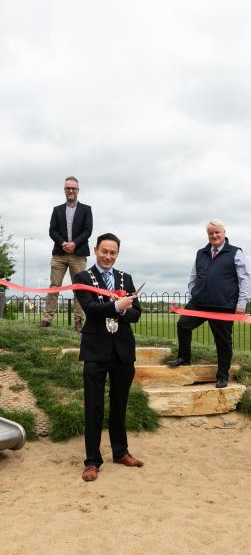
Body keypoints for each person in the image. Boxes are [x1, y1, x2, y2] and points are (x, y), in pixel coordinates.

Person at [73, 233, 143, 482]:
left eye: (113, 252)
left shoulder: (126, 278)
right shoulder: (82, 277)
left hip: (122, 351)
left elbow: (136, 314)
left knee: (119, 405)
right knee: (93, 407)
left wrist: (122, 309)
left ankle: (120, 452)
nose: (108, 256)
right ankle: (92, 461)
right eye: (104, 251)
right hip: (95, 350)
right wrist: (115, 306)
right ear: (95, 250)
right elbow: (90, 309)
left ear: (117, 254)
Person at [168, 220, 251, 388]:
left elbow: (245, 279)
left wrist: (241, 304)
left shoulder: (235, 252)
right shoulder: (201, 253)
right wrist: (195, 292)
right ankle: (184, 357)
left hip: (223, 306)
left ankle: (222, 376)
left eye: (217, 232)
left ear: (224, 232)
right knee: (183, 325)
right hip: (199, 303)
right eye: (210, 233)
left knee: (223, 341)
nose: (214, 236)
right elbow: (193, 276)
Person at [40, 176, 93, 332]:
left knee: (79, 288)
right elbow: (52, 230)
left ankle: (78, 321)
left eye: (73, 188)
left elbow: (87, 230)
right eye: (68, 188)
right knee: (54, 286)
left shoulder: (86, 209)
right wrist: (63, 243)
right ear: (64, 190)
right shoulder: (57, 210)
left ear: (78, 190)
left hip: (79, 254)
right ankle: (47, 319)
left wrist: (74, 243)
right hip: (59, 254)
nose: (71, 191)